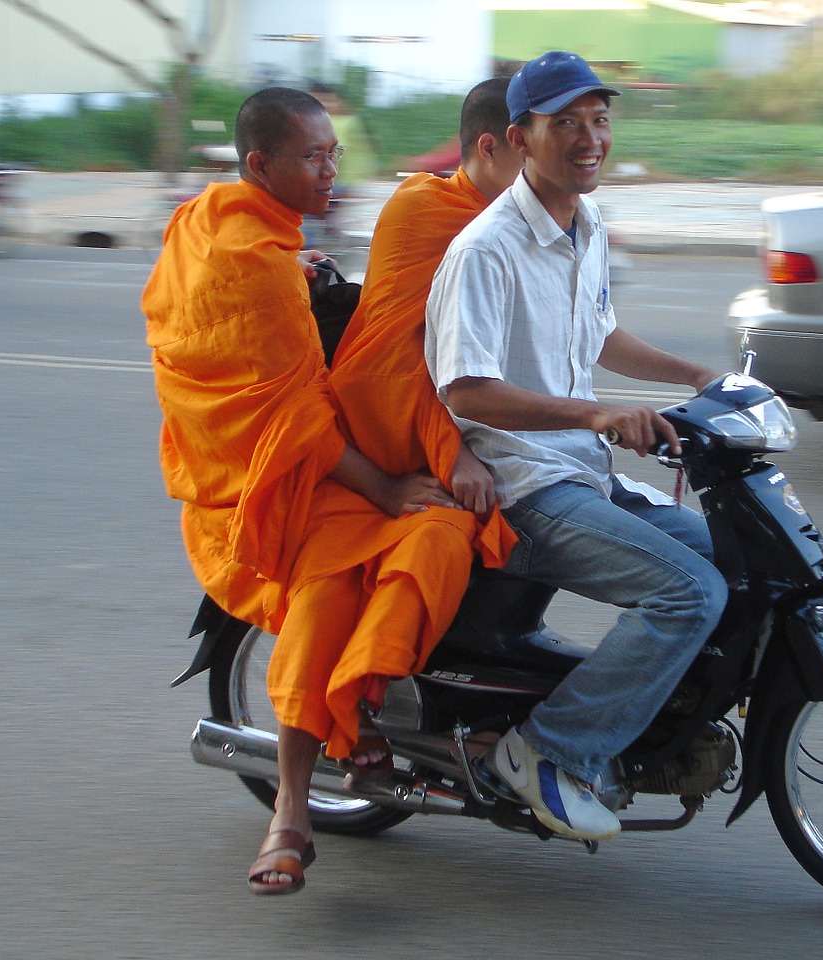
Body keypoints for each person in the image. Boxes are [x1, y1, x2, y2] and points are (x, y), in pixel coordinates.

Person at [143, 87, 514, 896]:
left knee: (444, 532)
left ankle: (364, 704)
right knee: (348, 573)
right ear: (259, 165)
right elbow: (294, 418)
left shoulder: (217, 220)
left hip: (315, 451)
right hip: (281, 479)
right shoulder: (251, 262)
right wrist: (383, 486)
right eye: (312, 159)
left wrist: (296, 266)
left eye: (334, 154)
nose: (330, 172)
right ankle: (293, 812)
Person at [425, 52, 728, 842]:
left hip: (583, 474)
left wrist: (697, 375)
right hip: (523, 487)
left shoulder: (584, 225)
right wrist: (597, 416)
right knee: (688, 591)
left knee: (739, 560)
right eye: (566, 123)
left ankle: (654, 733)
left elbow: (601, 335)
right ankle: (549, 751)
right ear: (520, 137)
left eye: (599, 119)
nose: (590, 138)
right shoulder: (485, 250)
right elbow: (467, 392)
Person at [327, 76, 522, 503]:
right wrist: (451, 448)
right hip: (398, 413)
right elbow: (398, 349)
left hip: (497, 418)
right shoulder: (422, 209)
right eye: (530, 152)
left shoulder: (531, 221)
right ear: (489, 148)